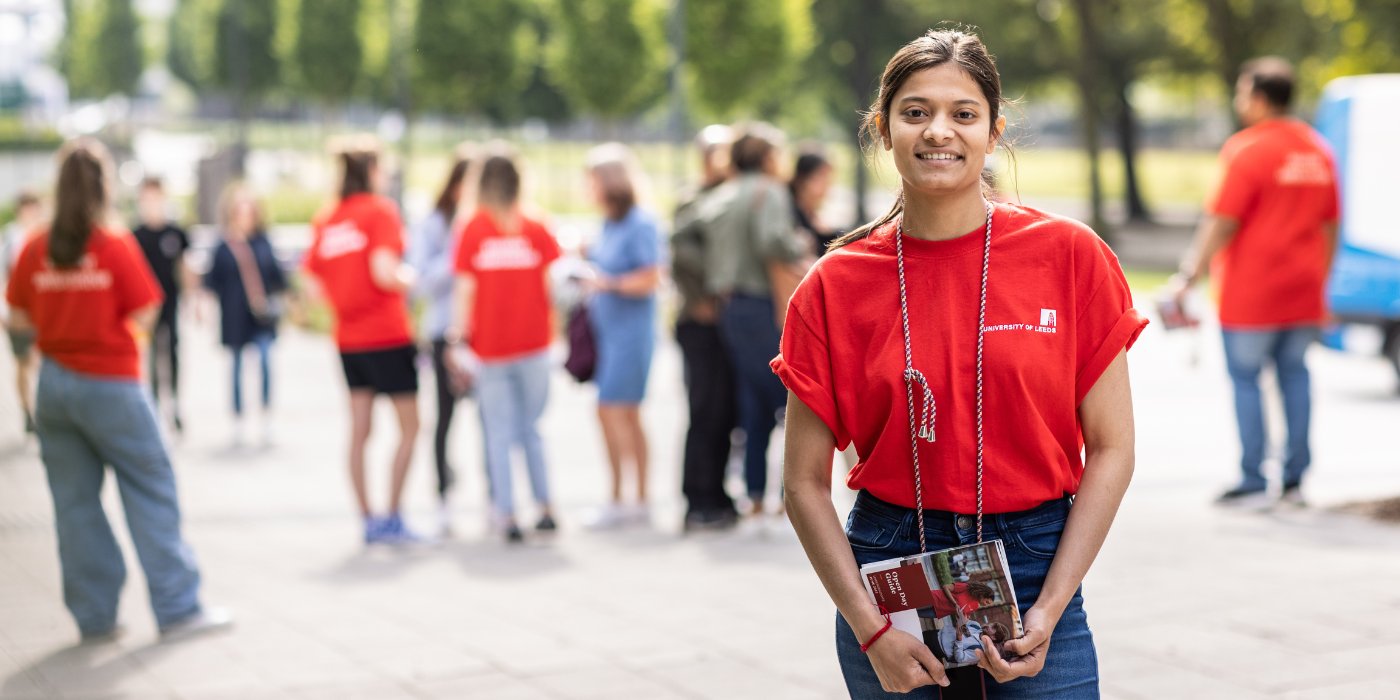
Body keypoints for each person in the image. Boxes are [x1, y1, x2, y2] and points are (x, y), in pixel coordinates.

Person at [774, 29, 1145, 697]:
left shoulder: (1069, 256)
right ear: (883, 129)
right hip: (890, 570)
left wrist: (1052, 606)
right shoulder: (833, 285)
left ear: (994, 130)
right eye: (915, 112)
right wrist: (871, 629)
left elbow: (1113, 446)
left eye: (963, 114)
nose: (937, 131)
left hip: (1037, 564)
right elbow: (802, 483)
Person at [5, 138, 230, 641]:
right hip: (111, 383)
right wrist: (116, 334)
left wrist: (38, 350)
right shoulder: (111, 245)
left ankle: (95, 617)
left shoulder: (35, 247)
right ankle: (178, 608)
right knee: (151, 488)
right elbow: (148, 309)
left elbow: (16, 320)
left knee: (74, 504)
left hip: (55, 388)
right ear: (104, 187)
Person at [1168, 57, 1339, 510]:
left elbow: (1222, 220)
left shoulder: (1247, 149)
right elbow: (1329, 227)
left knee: (1247, 381)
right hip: (1304, 289)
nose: (1239, 102)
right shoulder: (1318, 150)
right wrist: (1323, 282)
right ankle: (1295, 481)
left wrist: (1190, 275)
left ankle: (1252, 478)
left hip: (1252, 291)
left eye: (1243, 93)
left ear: (1260, 99)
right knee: (1296, 378)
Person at [302, 137, 422, 545]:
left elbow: (311, 283)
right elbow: (385, 271)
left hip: (349, 341)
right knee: (410, 427)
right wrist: (413, 278)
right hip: (388, 334)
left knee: (358, 431)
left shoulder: (328, 219)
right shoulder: (380, 212)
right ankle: (393, 516)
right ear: (373, 171)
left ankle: (367, 519)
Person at [449, 150, 560, 544]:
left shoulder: (473, 229)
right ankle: (546, 507)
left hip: (491, 347)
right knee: (531, 428)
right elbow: (553, 288)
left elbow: (465, 291)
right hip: (535, 343)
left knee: (497, 431)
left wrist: (458, 339)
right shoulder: (536, 225)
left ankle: (506, 513)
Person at [703, 123, 811, 519]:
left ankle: (754, 493)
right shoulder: (769, 191)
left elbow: (685, 236)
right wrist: (795, 244)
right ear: (767, 157)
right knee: (785, 399)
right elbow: (771, 240)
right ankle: (790, 494)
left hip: (729, 304)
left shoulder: (724, 192)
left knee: (751, 400)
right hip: (763, 302)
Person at [581, 143, 664, 529]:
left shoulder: (641, 222)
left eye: (592, 180)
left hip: (631, 333)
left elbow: (651, 276)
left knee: (617, 410)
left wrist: (607, 282)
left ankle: (634, 497)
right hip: (610, 332)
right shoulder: (610, 222)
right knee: (618, 412)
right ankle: (625, 496)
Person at [672, 125, 741, 532]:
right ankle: (697, 498)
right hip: (699, 321)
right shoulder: (695, 201)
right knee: (704, 410)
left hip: (724, 320)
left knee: (726, 410)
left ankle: (717, 495)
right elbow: (681, 255)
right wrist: (700, 298)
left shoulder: (732, 196)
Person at [409, 146, 474, 535]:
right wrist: (458, 254)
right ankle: (442, 495)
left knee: (490, 418)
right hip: (444, 330)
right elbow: (421, 280)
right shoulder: (434, 224)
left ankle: (495, 494)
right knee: (445, 415)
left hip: (482, 333)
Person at [203, 184, 286, 448]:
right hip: (235, 315)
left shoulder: (263, 241)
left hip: (260, 316)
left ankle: (266, 416)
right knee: (236, 367)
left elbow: (277, 276)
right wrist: (202, 306)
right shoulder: (223, 245)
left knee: (263, 362)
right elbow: (211, 281)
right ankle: (238, 418)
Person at [132, 177, 191, 434]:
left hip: (171, 302)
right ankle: (153, 405)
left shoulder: (175, 233)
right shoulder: (135, 236)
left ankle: (175, 403)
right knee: (153, 355)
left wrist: (194, 299)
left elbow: (184, 267)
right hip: (146, 307)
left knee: (174, 351)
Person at [2, 190, 43, 433]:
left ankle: (39, 408)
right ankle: (27, 410)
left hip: (41, 313)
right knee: (22, 363)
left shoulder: (45, 236)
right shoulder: (11, 237)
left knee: (41, 363)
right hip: (17, 312)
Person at [790, 148, 839, 256]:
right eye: (822, 176)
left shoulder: (812, 212)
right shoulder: (790, 212)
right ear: (804, 178)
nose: (827, 183)